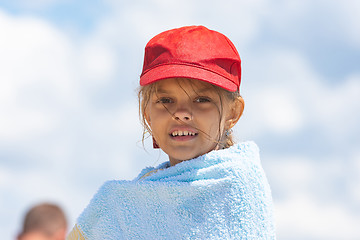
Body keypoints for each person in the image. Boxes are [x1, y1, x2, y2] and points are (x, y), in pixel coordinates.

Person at [67, 26, 275, 239]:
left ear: (233, 111)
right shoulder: (120, 206)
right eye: (165, 101)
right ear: (147, 112)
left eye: (202, 100)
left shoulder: (239, 188)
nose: (182, 113)